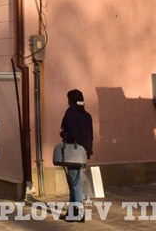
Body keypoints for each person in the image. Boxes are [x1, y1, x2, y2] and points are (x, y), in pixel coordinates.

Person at [60, 89, 93, 222]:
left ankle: (78, 212)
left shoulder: (71, 114)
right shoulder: (87, 115)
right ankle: (72, 212)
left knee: (74, 183)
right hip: (84, 152)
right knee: (75, 181)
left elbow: (72, 134)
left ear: (70, 100)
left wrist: (63, 134)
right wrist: (89, 151)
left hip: (73, 152)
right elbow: (90, 136)